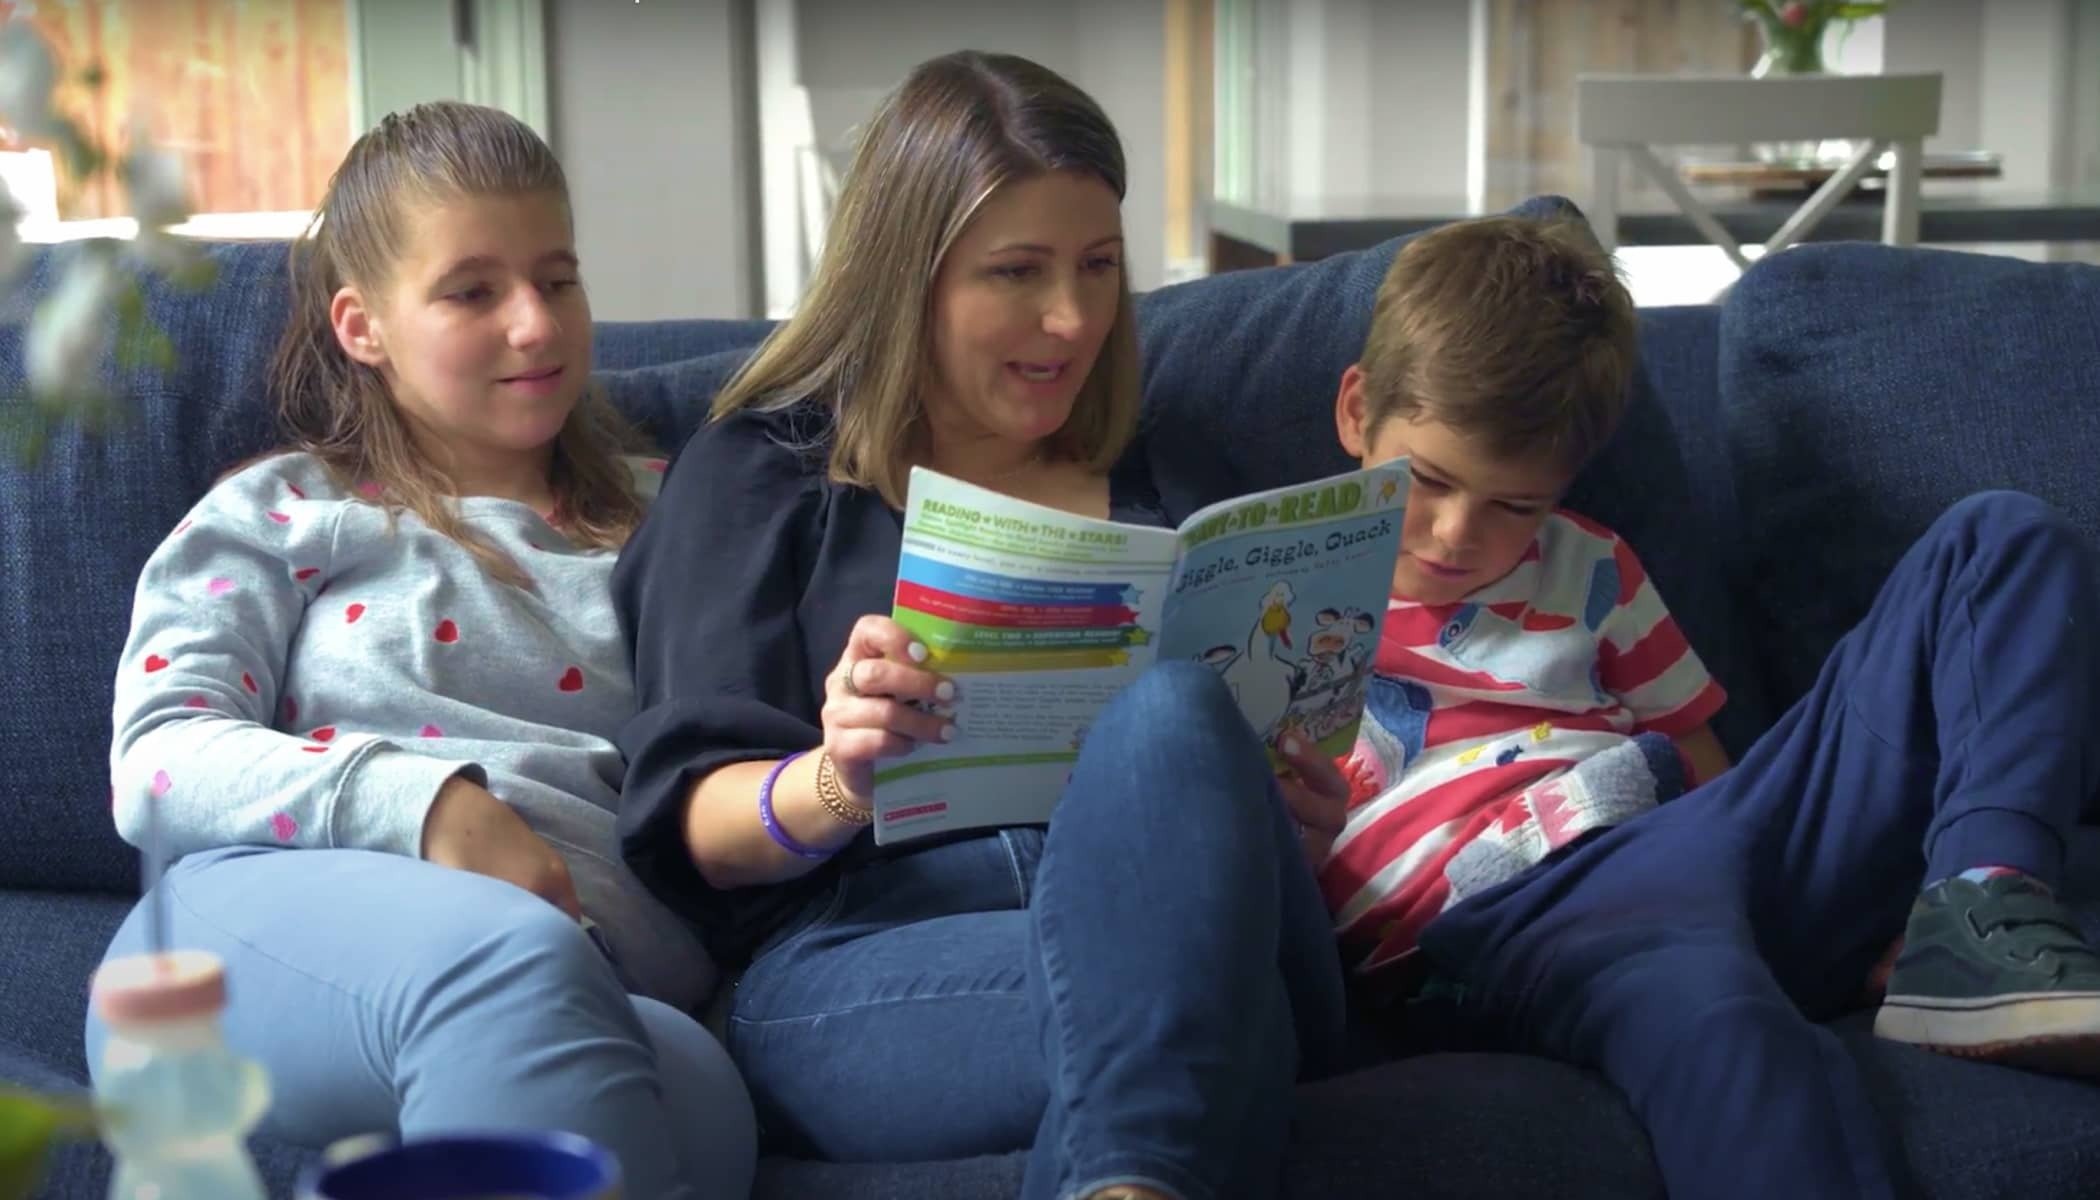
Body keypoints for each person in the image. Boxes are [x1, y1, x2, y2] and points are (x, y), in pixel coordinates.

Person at [614, 51, 1351, 1200]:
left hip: (1185, 905)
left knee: (1175, 717)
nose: (1072, 319)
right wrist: (841, 775)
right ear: (907, 278)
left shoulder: (1166, 470)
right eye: (1017, 271)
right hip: (872, 945)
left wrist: (1289, 813)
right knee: (1209, 1028)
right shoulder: (763, 476)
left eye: (1099, 266)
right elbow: (695, 828)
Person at [1320, 213, 2100, 1199]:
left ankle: (1981, 901)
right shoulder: (1283, 596)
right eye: (1428, 480)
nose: (1453, 534)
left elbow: (1706, 763)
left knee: (2001, 539)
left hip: (1699, 845)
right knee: (1720, 1023)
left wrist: (1820, 879)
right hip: (1520, 909)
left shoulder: (1591, 564)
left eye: (1515, 505)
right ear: (1358, 410)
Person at [91, 101, 756, 1200]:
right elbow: (157, 762)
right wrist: (432, 807)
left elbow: (732, 765)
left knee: (705, 1103)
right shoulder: (285, 510)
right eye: (473, 292)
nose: (536, 326)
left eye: (558, 279)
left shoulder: (679, 518)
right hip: (258, 926)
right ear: (364, 326)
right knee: (514, 969)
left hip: (602, 983)